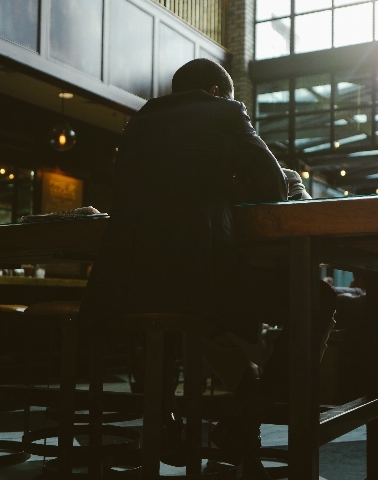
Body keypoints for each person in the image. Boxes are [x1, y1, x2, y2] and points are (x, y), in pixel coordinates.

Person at [80, 59, 336, 479]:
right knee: (318, 298)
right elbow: (273, 185)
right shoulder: (225, 112)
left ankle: (164, 417)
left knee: (194, 316)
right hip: (197, 279)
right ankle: (244, 420)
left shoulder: (139, 123)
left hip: (127, 287)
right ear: (218, 91)